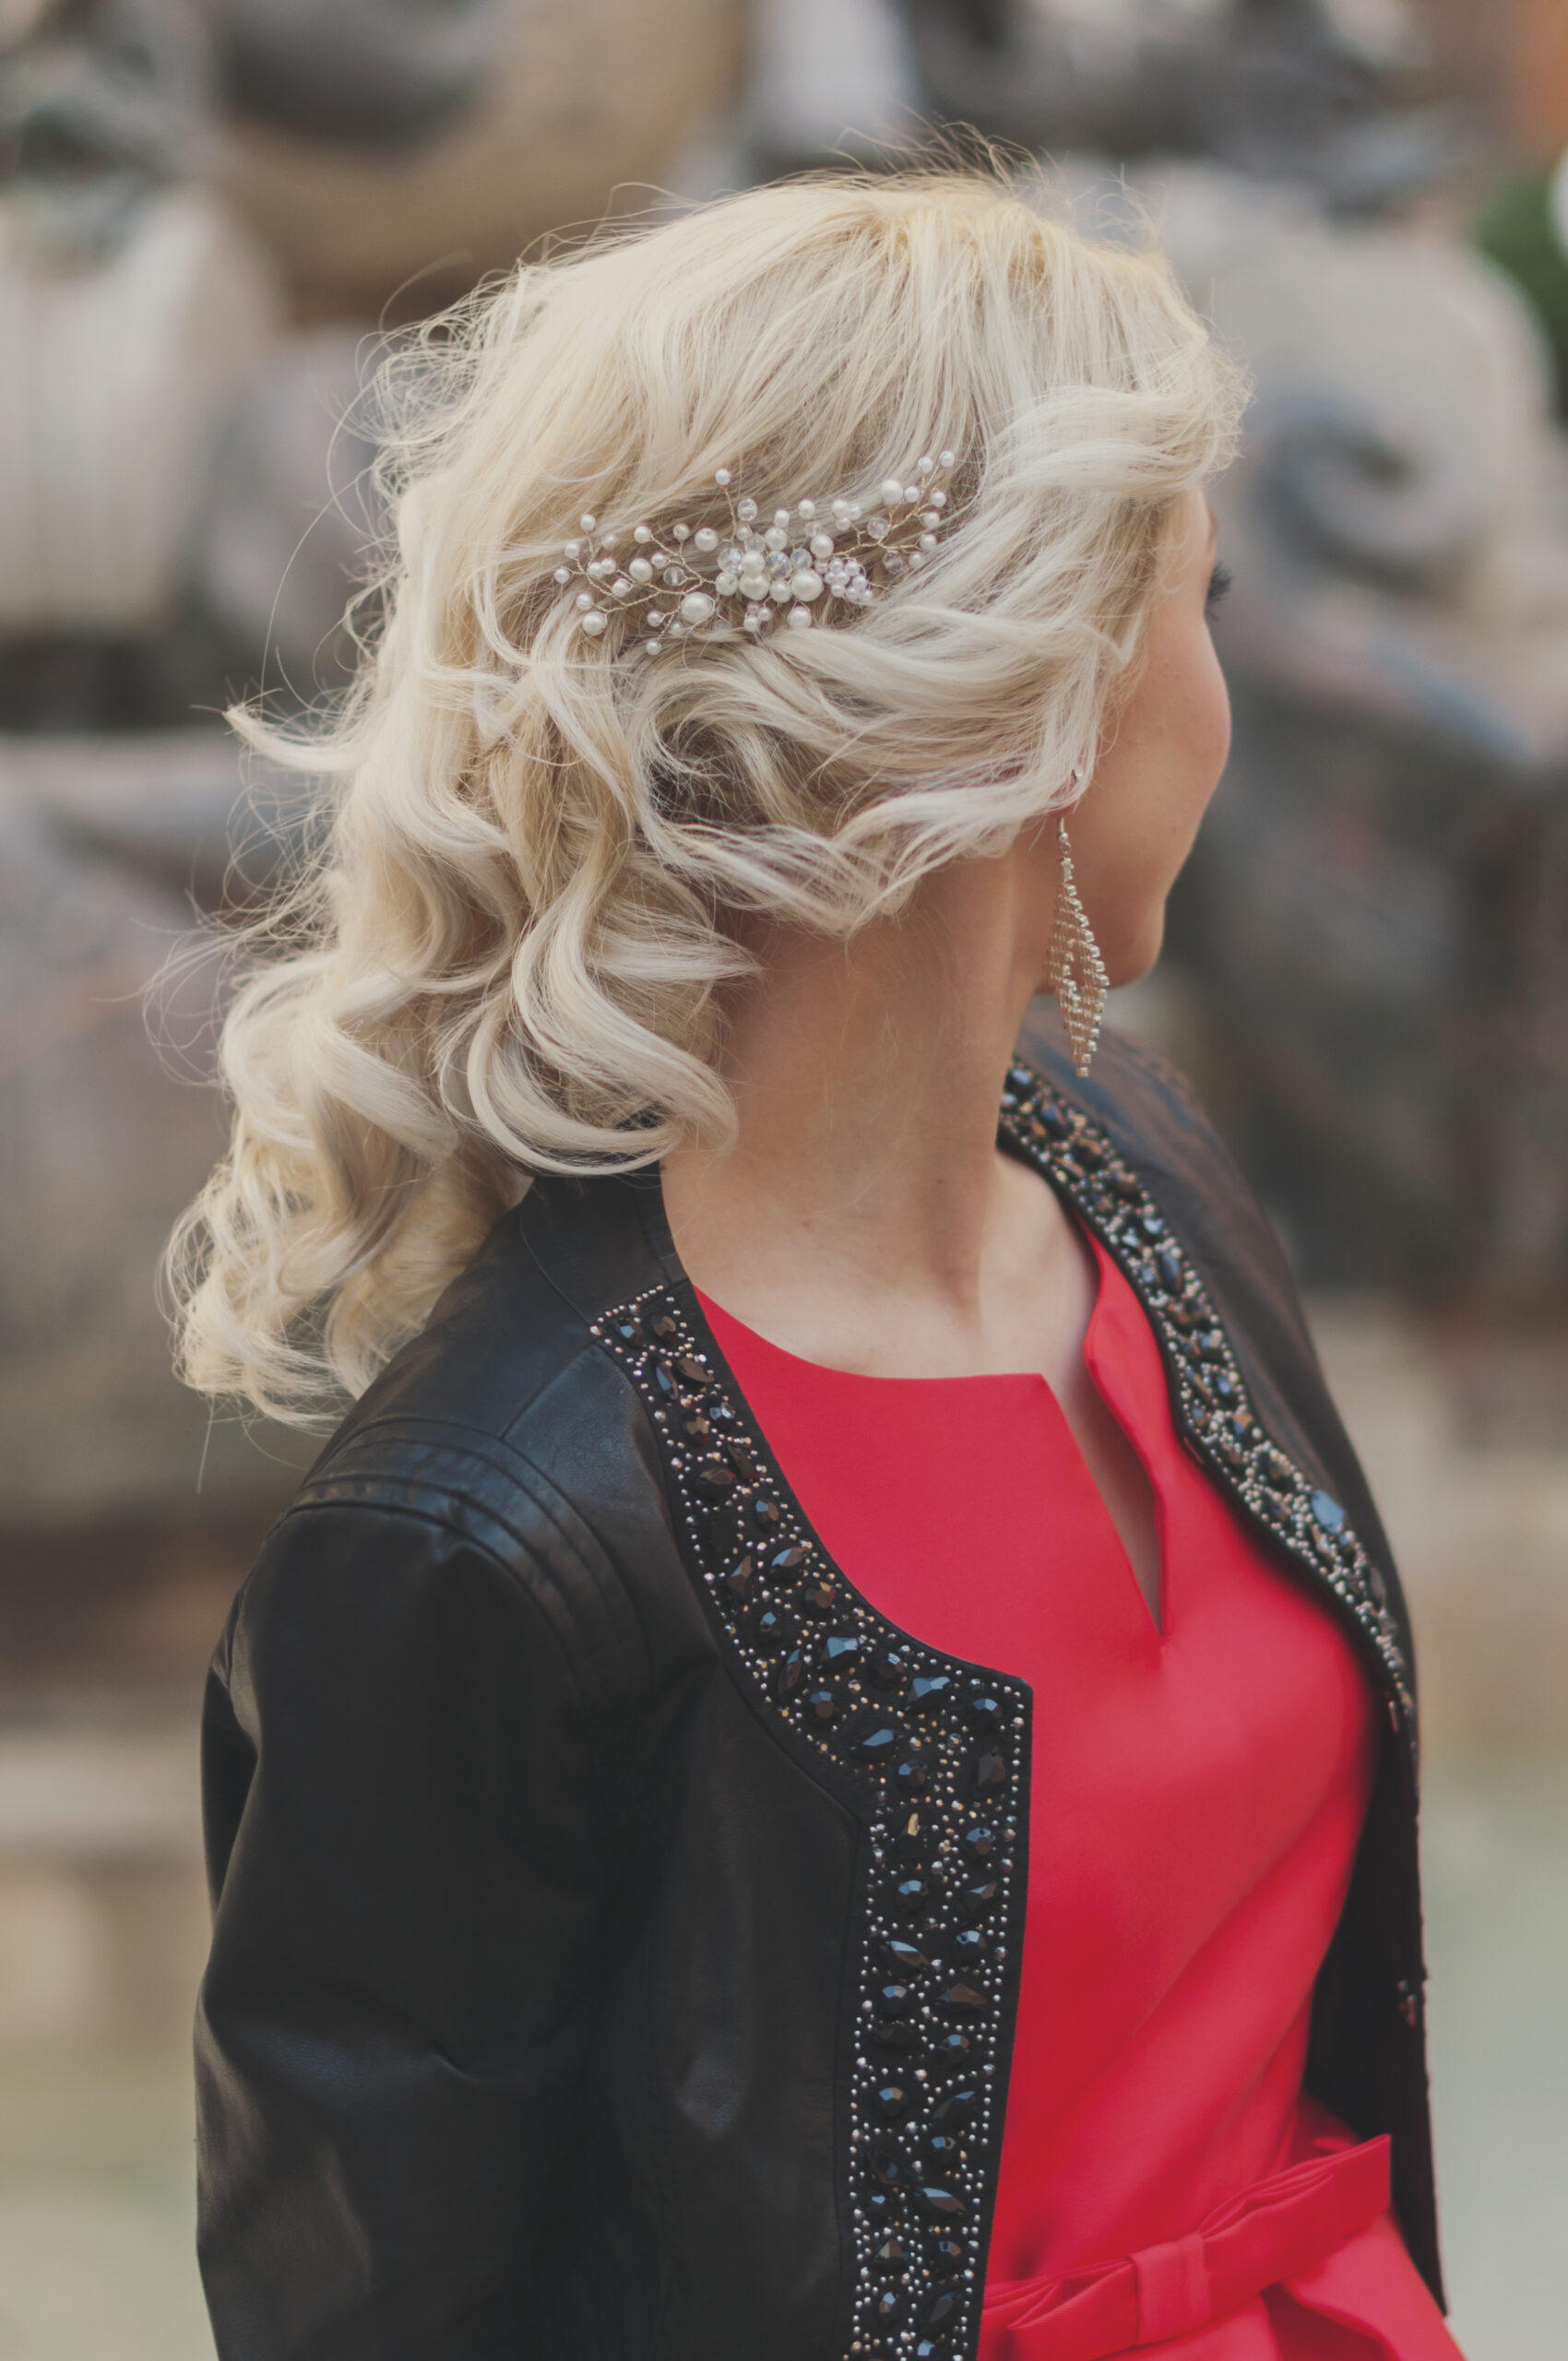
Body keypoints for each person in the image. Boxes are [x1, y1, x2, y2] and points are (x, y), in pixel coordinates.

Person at [172, 171, 1464, 2361]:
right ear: (1031, 694)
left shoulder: (1154, 1177)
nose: (1223, 693)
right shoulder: (469, 1534)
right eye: (1206, 599)